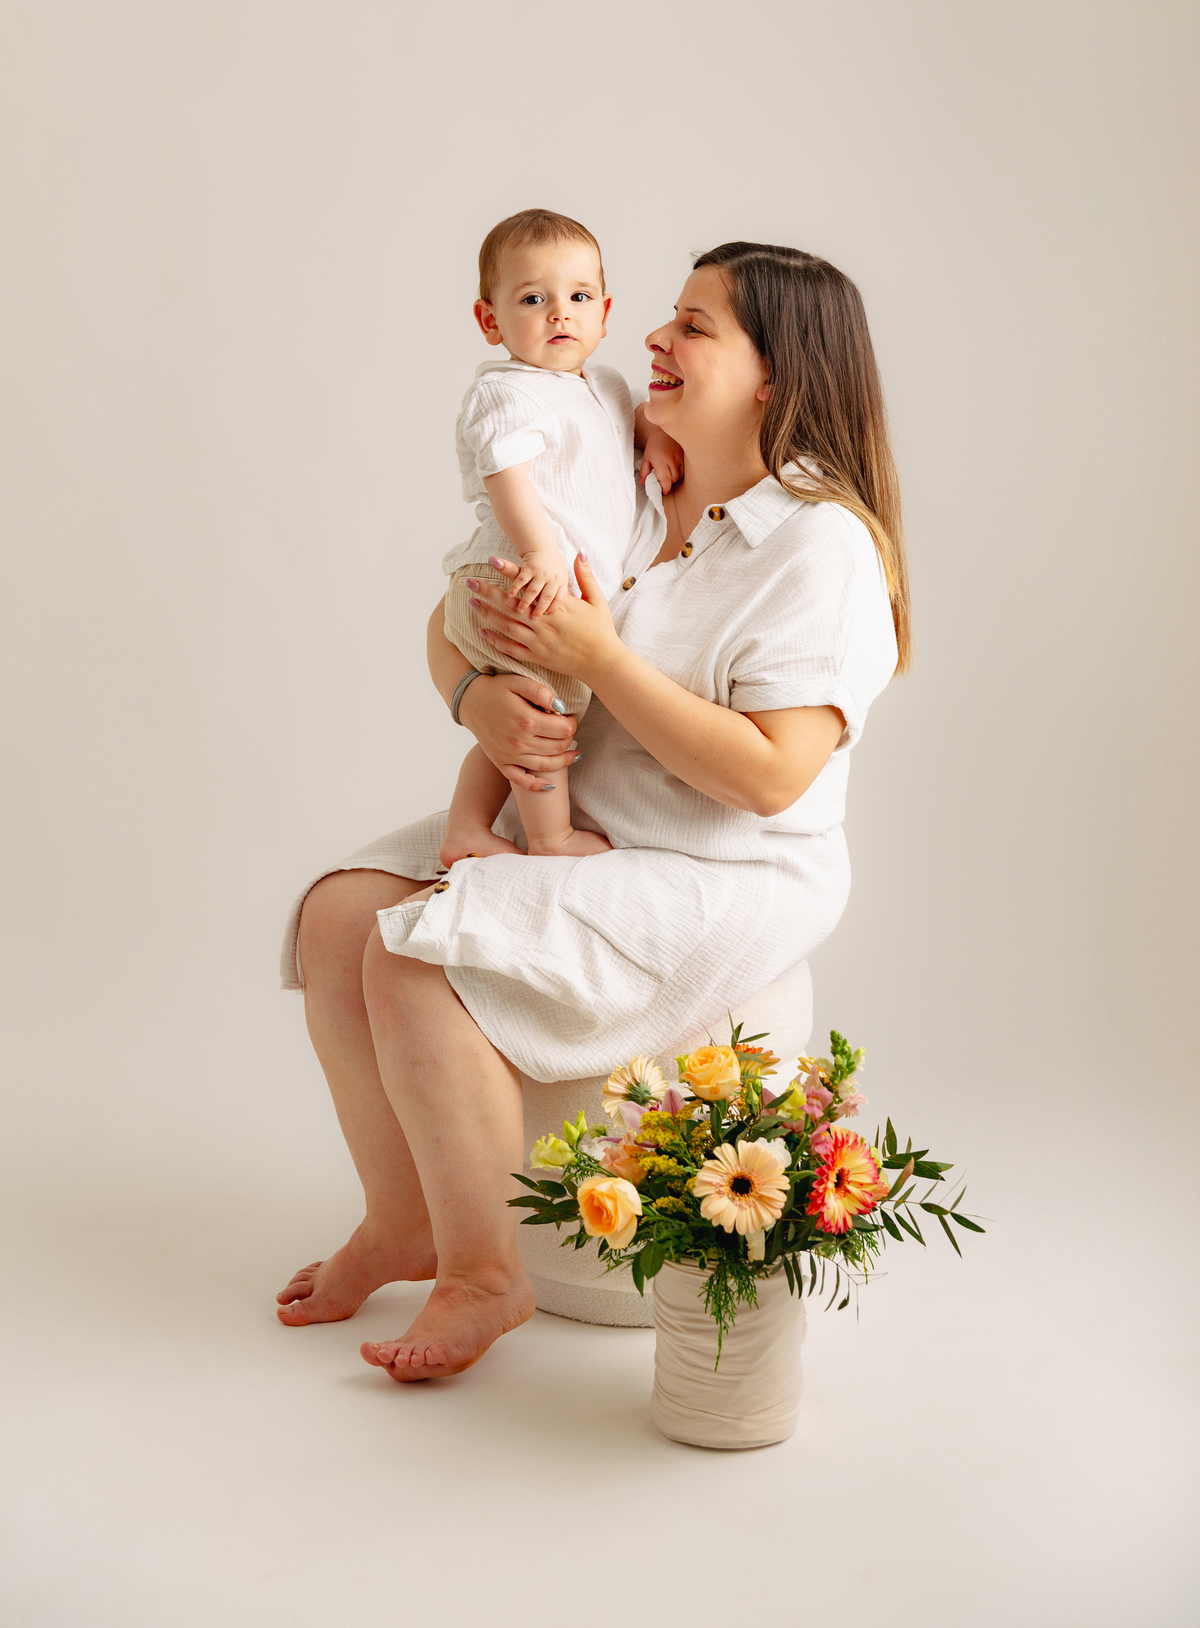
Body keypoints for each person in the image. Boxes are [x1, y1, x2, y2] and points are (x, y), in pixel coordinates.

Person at [276, 241, 910, 1384]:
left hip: (718, 865)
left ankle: (485, 1275)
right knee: (338, 916)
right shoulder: (635, 469)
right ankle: (403, 1218)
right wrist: (475, 697)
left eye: (695, 325)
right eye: (666, 315)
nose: (653, 337)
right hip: (579, 814)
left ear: (774, 374)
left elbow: (775, 777)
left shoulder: (818, 545)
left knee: (412, 960)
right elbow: (459, 611)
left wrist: (599, 660)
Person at [438, 207, 683, 865]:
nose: (558, 315)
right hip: (518, 575)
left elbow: (627, 421)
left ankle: (468, 827)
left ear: (604, 312)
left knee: (524, 719)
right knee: (546, 715)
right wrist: (539, 552)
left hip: (547, 579)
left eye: (578, 297)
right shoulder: (507, 394)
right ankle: (550, 837)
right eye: (532, 299)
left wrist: (655, 435)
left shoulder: (603, 383)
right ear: (490, 321)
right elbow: (506, 475)